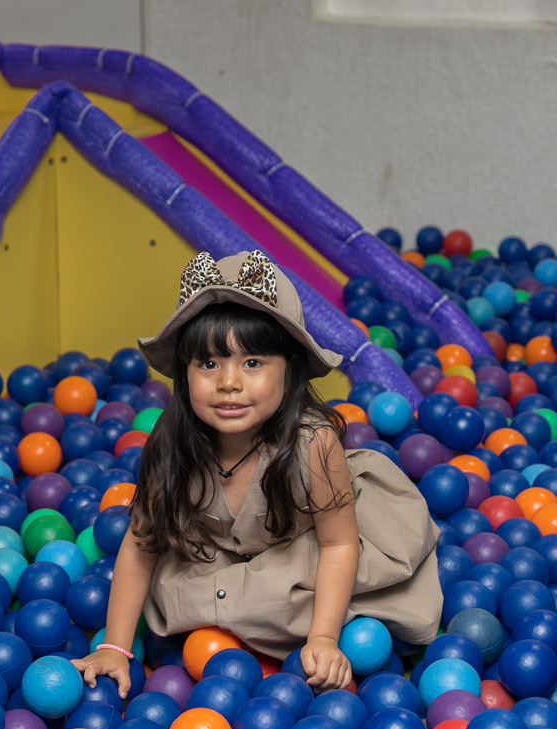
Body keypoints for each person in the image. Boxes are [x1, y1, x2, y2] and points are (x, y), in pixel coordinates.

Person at [71, 250, 442, 695]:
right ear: (184, 375)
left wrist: (323, 638)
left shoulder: (313, 443)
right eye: (208, 364)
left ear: (291, 370)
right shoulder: (173, 441)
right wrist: (115, 646)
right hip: (225, 552)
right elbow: (140, 544)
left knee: (303, 597)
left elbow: (340, 544)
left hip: (308, 545)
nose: (229, 382)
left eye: (252, 363)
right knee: (177, 592)